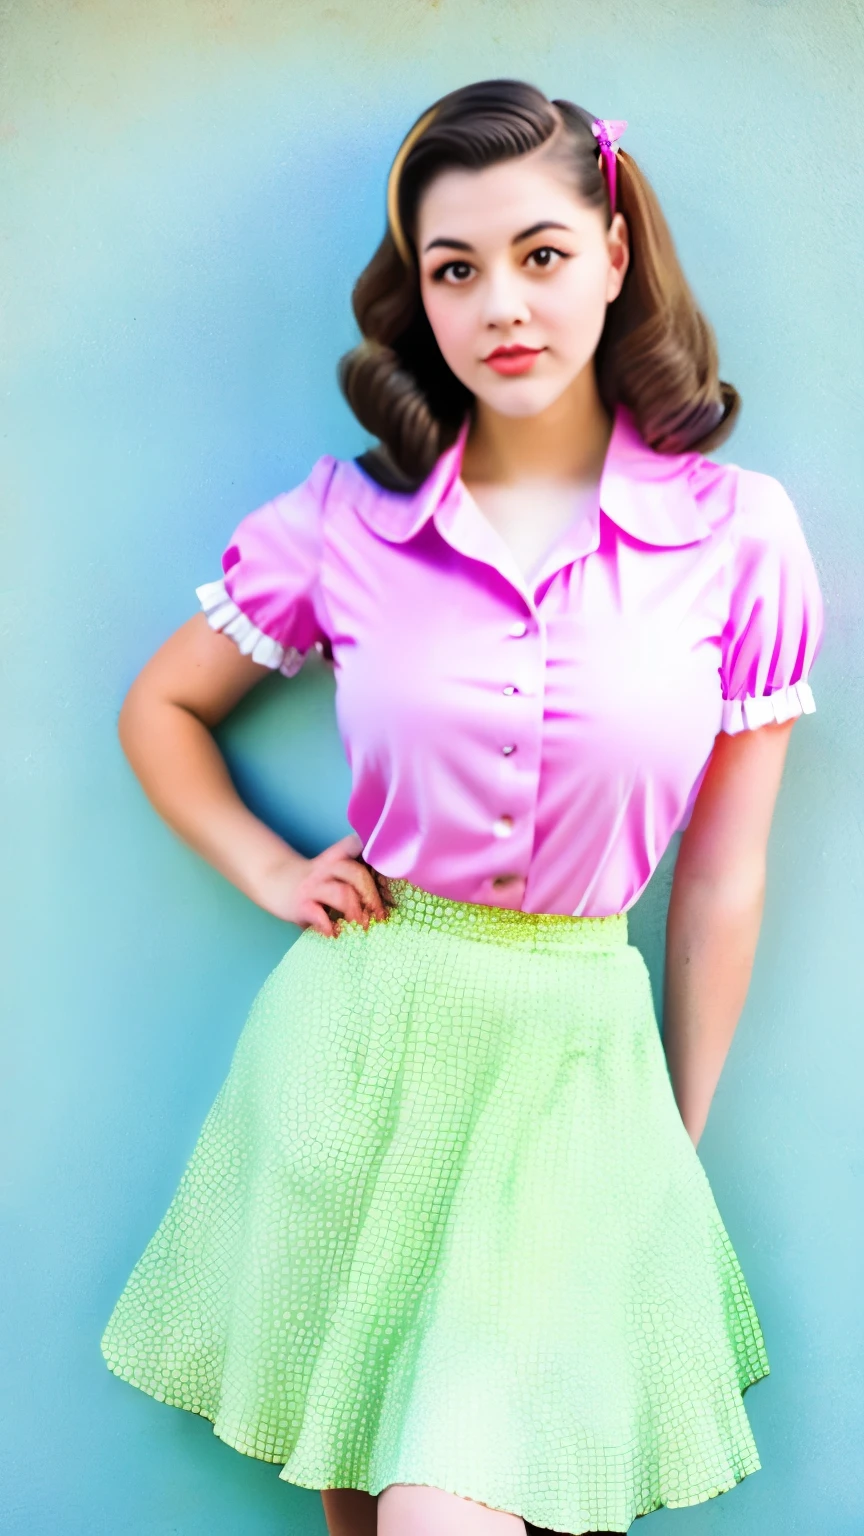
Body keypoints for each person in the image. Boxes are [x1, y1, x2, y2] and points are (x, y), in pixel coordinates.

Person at [99, 79, 824, 1536]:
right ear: (417, 294)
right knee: (369, 1511)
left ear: (614, 256)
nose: (502, 301)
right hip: (362, 1057)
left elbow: (725, 876)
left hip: (575, 1081)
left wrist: (668, 1138)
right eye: (455, 268)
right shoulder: (346, 524)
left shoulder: (739, 539)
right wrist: (267, 865)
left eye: (542, 253)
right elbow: (160, 709)